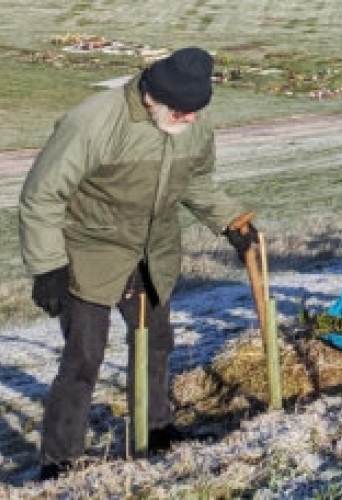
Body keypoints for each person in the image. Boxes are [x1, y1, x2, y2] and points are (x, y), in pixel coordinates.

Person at [19, 47, 258, 481]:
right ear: (154, 99)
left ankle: (156, 430)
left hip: (154, 252)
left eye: (196, 111)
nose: (191, 120)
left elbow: (197, 182)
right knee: (83, 357)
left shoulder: (193, 121)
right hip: (89, 253)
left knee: (157, 342)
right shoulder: (95, 120)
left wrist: (230, 220)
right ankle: (61, 461)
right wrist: (48, 267)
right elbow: (41, 195)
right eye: (184, 111)